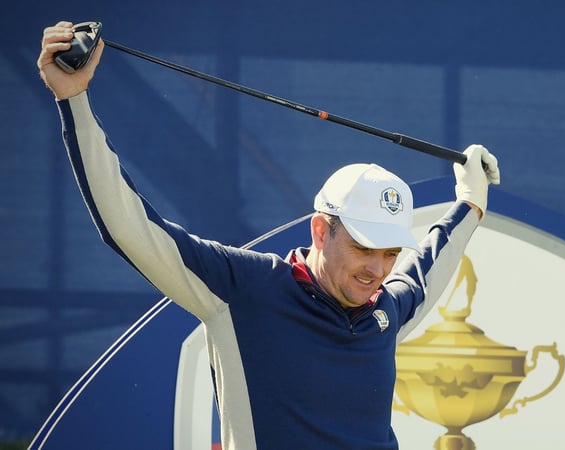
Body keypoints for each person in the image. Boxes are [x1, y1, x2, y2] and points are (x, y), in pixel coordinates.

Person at [38, 21, 500, 449]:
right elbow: (131, 228)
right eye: (363, 248)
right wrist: (74, 100)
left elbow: (428, 268)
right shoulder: (242, 287)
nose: (377, 270)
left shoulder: (384, 307)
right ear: (321, 230)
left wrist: (470, 202)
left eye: (389, 253)